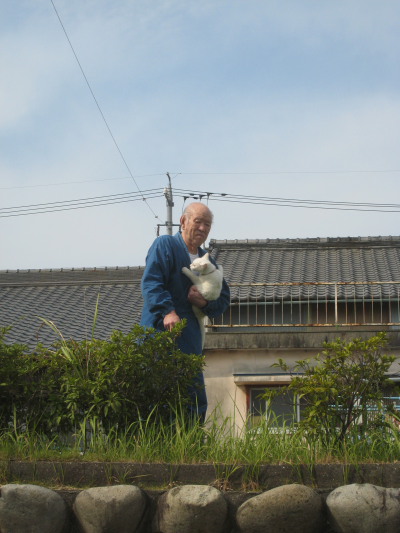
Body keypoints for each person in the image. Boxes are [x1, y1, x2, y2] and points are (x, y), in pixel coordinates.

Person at [140, 202, 230, 421]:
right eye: (197, 221)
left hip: (190, 337)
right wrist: (168, 311)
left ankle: (189, 450)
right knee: (155, 395)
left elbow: (224, 298)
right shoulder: (165, 245)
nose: (202, 228)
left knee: (193, 397)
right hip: (158, 331)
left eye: (207, 224)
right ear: (183, 221)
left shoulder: (210, 262)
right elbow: (151, 282)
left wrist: (204, 304)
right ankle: (151, 451)